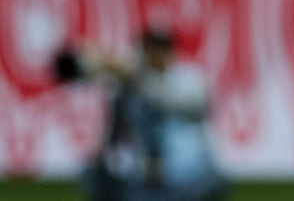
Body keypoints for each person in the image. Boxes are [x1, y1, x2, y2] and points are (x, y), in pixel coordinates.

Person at [53, 28, 226, 201]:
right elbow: (114, 131)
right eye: (149, 49)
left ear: (171, 51)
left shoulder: (189, 79)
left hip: (189, 174)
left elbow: (179, 103)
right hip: (146, 176)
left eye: (159, 49)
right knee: (94, 173)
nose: (154, 55)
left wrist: (135, 77)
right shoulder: (131, 85)